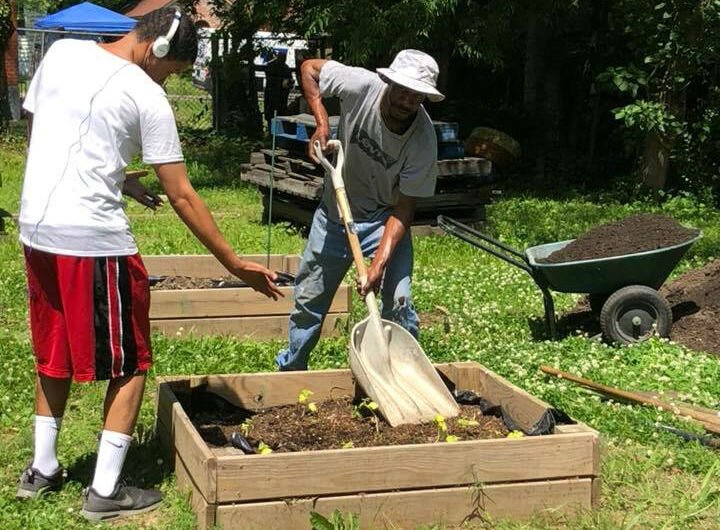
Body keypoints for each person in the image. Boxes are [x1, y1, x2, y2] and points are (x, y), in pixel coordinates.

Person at [15, 6, 282, 521]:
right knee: (131, 362)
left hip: (38, 232)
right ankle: (106, 491)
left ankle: (42, 471)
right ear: (159, 49)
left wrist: (113, 175)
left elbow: (48, 131)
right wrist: (233, 262)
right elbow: (181, 193)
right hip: (94, 243)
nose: (168, 77)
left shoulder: (61, 53)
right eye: (173, 69)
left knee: (54, 350)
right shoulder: (146, 94)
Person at [276, 49, 444, 371]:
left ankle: (404, 376)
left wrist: (378, 264)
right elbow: (309, 68)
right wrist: (322, 122)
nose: (407, 101)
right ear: (388, 82)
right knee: (309, 302)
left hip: (383, 220)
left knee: (398, 302)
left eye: (417, 95)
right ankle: (290, 371)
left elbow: (405, 209)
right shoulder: (361, 85)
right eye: (403, 90)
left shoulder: (423, 139)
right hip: (333, 216)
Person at [263, 50, 294, 130]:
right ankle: (273, 132)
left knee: (277, 115)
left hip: (279, 96)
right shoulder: (273, 66)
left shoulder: (284, 68)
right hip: (274, 95)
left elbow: (289, 81)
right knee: (273, 114)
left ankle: (276, 132)